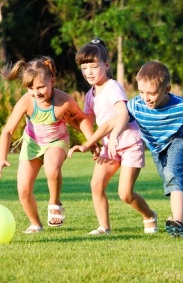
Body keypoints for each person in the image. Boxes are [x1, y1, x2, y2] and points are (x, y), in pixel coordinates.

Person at [75, 60, 183, 238]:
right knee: (173, 182)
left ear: (166, 89)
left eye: (151, 93)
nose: (146, 98)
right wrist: (89, 143)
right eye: (142, 92)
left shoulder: (179, 106)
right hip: (157, 148)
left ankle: (177, 223)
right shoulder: (137, 105)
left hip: (178, 140)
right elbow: (111, 124)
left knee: (173, 175)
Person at [0, 56, 96, 234]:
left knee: (52, 168)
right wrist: (1, 158)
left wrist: (92, 142)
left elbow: (81, 120)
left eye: (41, 87)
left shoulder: (63, 100)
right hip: (32, 144)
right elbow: (8, 131)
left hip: (57, 142)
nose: (36, 93)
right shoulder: (27, 101)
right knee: (23, 189)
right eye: (31, 88)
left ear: (52, 81)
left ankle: (54, 202)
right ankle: (35, 223)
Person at [68, 38, 158, 235]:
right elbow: (87, 123)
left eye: (94, 66)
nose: (89, 72)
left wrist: (114, 135)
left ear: (106, 65)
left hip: (129, 142)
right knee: (96, 184)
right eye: (84, 67)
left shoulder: (113, 86)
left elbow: (123, 114)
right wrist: (67, 119)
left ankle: (149, 215)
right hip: (110, 145)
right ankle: (104, 227)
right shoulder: (91, 94)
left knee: (125, 194)